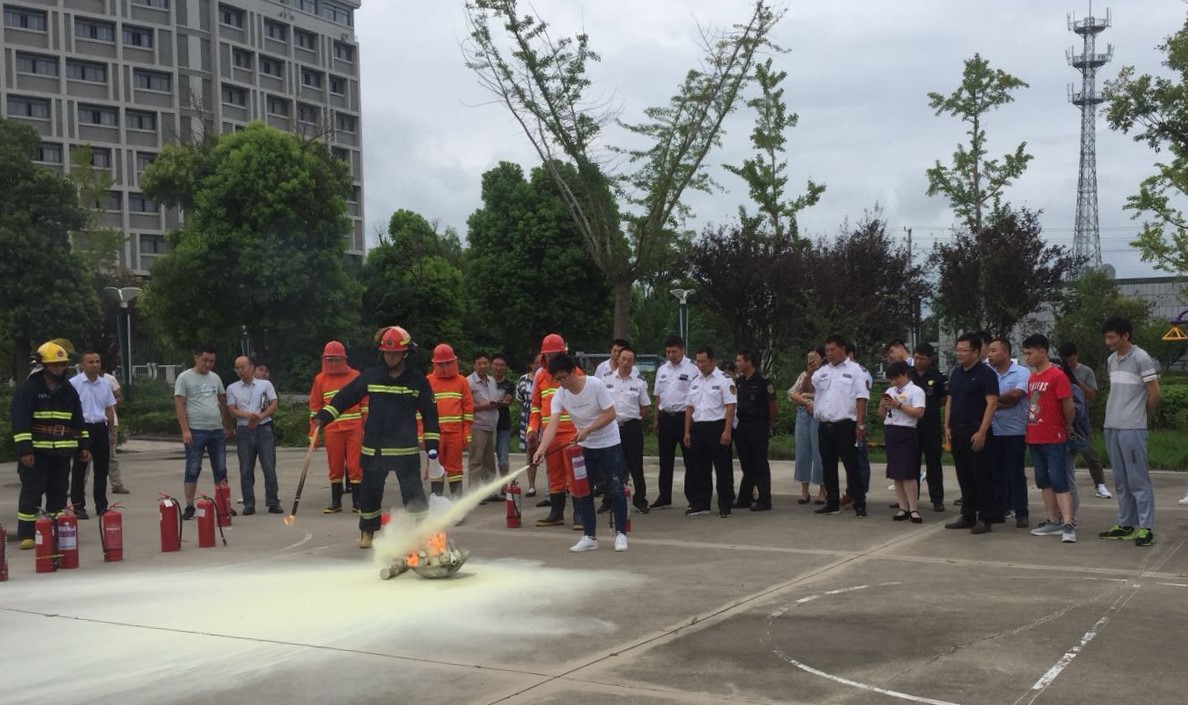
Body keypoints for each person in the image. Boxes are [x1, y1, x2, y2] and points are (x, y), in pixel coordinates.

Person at [312, 325, 440, 549]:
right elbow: (345, 397)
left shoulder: (418, 381)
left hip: (405, 450)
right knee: (370, 493)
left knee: (413, 494)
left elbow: (430, 415)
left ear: (405, 353)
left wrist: (432, 445)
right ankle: (367, 532)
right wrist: (325, 416)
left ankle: (419, 533)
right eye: (387, 353)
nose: (391, 357)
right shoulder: (371, 376)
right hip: (375, 449)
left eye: (395, 353)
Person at [533, 353, 629, 552]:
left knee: (616, 489)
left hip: (609, 444)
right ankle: (589, 536)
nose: (560, 383)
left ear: (572, 372)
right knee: (583, 491)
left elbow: (610, 414)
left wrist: (587, 430)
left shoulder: (594, 385)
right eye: (556, 379)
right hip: (586, 448)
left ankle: (620, 534)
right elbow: (552, 424)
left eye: (562, 377)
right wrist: (541, 449)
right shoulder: (560, 395)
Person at [10, 342, 89, 549]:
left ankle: (56, 530)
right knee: (32, 493)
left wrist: (84, 445)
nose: (59, 369)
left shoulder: (68, 390)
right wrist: (25, 450)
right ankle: (27, 534)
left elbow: (78, 420)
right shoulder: (28, 390)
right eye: (54, 365)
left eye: (62, 365)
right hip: (36, 453)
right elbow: (20, 422)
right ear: (43, 365)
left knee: (59, 493)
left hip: (62, 452)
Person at [1098, 317, 1162, 547]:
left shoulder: (1141, 358)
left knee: (1138, 479)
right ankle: (1125, 523)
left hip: (1132, 427)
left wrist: (1139, 415)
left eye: (1112, 337)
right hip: (1112, 426)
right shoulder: (1111, 360)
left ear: (1126, 336)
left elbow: (1154, 393)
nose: (1108, 341)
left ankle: (1145, 527)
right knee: (1121, 480)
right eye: (1106, 337)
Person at [1020, 335, 1077, 543]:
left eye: (1030, 353)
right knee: (1043, 480)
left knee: (1059, 480)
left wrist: (1067, 425)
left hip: (1054, 436)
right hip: (1034, 436)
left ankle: (1068, 523)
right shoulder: (1033, 378)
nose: (1027, 358)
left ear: (1043, 352)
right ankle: (1051, 520)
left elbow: (1068, 405)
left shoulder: (1057, 375)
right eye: (1024, 354)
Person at [944, 333, 999, 534]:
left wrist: (982, 431)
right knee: (964, 475)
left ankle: (985, 517)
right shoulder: (956, 373)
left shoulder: (986, 374)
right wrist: (947, 427)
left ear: (975, 352)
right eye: (957, 350)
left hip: (976, 430)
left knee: (982, 475)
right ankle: (968, 515)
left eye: (963, 350)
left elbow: (992, 404)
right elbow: (950, 400)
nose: (959, 354)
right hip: (957, 430)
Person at [811, 335, 870, 517]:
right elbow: (810, 386)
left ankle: (859, 503)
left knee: (851, 466)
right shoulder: (822, 372)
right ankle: (832, 502)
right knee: (828, 466)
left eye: (833, 350)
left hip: (846, 424)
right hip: (825, 425)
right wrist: (811, 368)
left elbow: (861, 398)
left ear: (843, 349)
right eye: (827, 351)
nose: (829, 354)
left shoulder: (856, 371)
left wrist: (860, 425)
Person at [174, 343, 234, 521]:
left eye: (212, 361)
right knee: (193, 468)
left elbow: (223, 402)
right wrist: (185, 430)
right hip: (196, 430)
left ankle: (223, 504)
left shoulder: (215, 378)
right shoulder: (184, 378)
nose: (208, 364)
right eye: (205, 360)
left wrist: (227, 426)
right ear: (197, 358)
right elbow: (179, 404)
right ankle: (190, 505)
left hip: (216, 431)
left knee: (221, 468)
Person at [528, 333, 582, 527]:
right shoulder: (540, 377)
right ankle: (556, 514)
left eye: (554, 355)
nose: (551, 359)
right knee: (554, 475)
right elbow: (535, 406)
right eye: (548, 356)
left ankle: (580, 515)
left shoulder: (575, 373)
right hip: (549, 434)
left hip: (570, 434)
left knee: (574, 475)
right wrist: (532, 430)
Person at [308, 341, 366, 513]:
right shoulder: (320, 379)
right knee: (335, 465)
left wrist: (367, 426)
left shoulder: (355, 375)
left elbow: (365, 402)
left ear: (344, 359)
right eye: (329, 360)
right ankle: (336, 502)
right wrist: (313, 433)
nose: (332, 364)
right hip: (332, 428)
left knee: (355, 466)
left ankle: (358, 502)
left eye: (336, 360)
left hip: (354, 426)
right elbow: (315, 406)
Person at [682, 346, 737, 517]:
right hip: (698, 428)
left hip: (717, 427)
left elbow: (730, 406)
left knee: (723, 469)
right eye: (697, 361)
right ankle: (701, 504)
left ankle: (725, 505)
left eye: (703, 361)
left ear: (712, 361)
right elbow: (689, 408)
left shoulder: (724, 379)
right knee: (700, 468)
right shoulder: (695, 381)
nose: (700, 365)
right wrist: (687, 432)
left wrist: (727, 431)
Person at [226, 356, 281, 515]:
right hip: (244, 430)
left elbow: (273, 404)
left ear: (252, 367)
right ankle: (249, 503)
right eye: (238, 368)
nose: (241, 370)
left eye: (243, 367)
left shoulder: (265, 385)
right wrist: (248, 416)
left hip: (264, 428)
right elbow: (232, 409)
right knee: (246, 469)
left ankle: (272, 501)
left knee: (269, 467)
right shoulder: (232, 388)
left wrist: (259, 417)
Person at [1057, 341, 1112, 499]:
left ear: (1076, 356)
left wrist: (1074, 379)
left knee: (1089, 451)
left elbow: (1092, 395)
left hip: (1081, 418)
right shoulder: (1058, 372)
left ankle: (1100, 484)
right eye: (1067, 361)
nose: (1070, 363)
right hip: (1062, 419)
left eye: (1073, 360)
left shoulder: (1086, 371)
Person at [650, 335, 698, 509]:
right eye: (668, 352)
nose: (671, 355)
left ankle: (693, 497)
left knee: (690, 460)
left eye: (674, 351)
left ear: (682, 349)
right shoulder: (662, 369)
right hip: (666, 417)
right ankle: (664, 496)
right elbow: (658, 396)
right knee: (665, 460)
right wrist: (656, 419)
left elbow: (696, 397)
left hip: (684, 417)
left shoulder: (693, 369)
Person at [987, 337, 1030, 528]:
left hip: (1015, 430)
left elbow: (1016, 396)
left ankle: (1022, 512)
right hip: (993, 429)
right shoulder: (989, 374)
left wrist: (993, 401)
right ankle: (999, 510)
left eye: (994, 350)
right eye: (988, 351)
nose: (990, 354)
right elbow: (985, 400)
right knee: (995, 473)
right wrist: (997, 402)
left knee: (1015, 473)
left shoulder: (1021, 372)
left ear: (1006, 352)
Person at [69, 350, 117, 519]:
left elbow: (109, 408)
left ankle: (101, 505)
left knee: (102, 469)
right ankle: (78, 505)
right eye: (91, 362)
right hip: (82, 429)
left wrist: (111, 431)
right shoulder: (74, 384)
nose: (95, 364)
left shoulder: (104, 384)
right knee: (80, 469)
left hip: (100, 427)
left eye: (97, 361)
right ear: (82, 364)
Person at [605, 345, 651, 513]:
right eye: (623, 359)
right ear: (618, 359)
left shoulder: (639, 382)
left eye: (629, 360)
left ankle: (640, 500)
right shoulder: (607, 380)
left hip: (632, 427)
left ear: (634, 362)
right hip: (612, 428)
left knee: (635, 465)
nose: (625, 362)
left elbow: (645, 407)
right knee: (612, 464)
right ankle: (609, 499)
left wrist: (634, 418)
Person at [879, 361, 926, 523]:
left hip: (907, 431)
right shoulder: (890, 391)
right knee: (896, 473)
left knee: (908, 472)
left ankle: (913, 508)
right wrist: (884, 404)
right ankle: (902, 507)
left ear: (905, 374)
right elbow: (881, 414)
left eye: (896, 378)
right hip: (891, 431)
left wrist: (899, 405)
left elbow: (919, 412)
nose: (894, 382)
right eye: (891, 379)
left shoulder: (916, 391)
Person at [426, 344, 473, 498]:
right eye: (441, 364)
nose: (445, 367)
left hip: (455, 433)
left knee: (455, 470)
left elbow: (468, 410)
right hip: (435, 434)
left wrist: (467, 433)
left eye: (448, 363)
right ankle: (437, 504)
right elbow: (421, 411)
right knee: (435, 468)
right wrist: (422, 434)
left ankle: (456, 506)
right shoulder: (428, 381)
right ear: (435, 364)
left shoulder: (462, 381)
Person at [733, 349, 776, 511]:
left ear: (749, 362)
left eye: (739, 360)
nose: (737, 363)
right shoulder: (739, 382)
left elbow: (772, 406)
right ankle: (745, 497)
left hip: (758, 425)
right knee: (746, 463)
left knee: (759, 463)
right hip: (742, 426)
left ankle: (765, 499)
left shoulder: (764, 381)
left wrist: (768, 425)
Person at [912, 343, 947, 512]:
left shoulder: (937, 377)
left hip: (930, 424)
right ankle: (910, 497)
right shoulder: (908, 375)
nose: (918, 361)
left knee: (933, 463)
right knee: (911, 462)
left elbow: (943, 400)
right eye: (916, 358)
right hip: (911, 425)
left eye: (922, 358)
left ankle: (937, 499)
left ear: (930, 359)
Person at [788, 350, 825, 505]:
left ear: (821, 359)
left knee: (819, 453)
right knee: (802, 453)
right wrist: (806, 401)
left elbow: (826, 395)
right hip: (803, 414)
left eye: (815, 359)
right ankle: (805, 490)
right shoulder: (803, 375)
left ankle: (823, 490)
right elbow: (792, 394)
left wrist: (807, 396)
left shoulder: (825, 375)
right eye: (809, 359)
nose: (812, 362)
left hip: (819, 415)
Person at [467, 351, 500, 499]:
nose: (482, 366)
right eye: (479, 363)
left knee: (490, 461)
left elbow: (493, 400)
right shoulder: (469, 382)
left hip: (491, 426)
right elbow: (467, 406)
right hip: (477, 426)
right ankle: (474, 493)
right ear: (474, 365)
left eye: (485, 363)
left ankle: (488, 491)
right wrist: (484, 407)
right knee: (476, 460)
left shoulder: (492, 380)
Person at [844, 342, 873, 501]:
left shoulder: (861, 372)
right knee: (849, 459)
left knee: (859, 458)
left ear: (850, 354)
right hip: (844, 420)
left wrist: (860, 422)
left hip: (858, 419)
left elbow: (862, 397)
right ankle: (851, 492)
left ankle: (859, 494)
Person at [516, 353, 544, 502]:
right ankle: (532, 485)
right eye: (536, 362)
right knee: (531, 451)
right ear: (531, 364)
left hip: (545, 416)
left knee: (550, 451)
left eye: (541, 362)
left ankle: (555, 486)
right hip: (530, 417)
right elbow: (520, 399)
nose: (539, 365)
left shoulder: (547, 376)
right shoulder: (523, 380)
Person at [101, 360, 129, 494]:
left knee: (111, 455)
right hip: (89, 423)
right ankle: (79, 486)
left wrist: (111, 402)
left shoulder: (109, 380)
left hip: (109, 421)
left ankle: (117, 484)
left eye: (98, 364)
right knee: (85, 458)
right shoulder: (78, 382)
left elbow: (119, 397)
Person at [491, 353, 516, 483]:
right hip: (488, 425)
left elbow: (507, 401)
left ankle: (504, 485)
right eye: (496, 364)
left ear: (505, 367)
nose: (498, 368)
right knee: (487, 460)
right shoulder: (486, 382)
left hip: (503, 425)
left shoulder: (509, 385)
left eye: (501, 365)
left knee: (503, 460)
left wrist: (491, 402)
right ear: (491, 365)